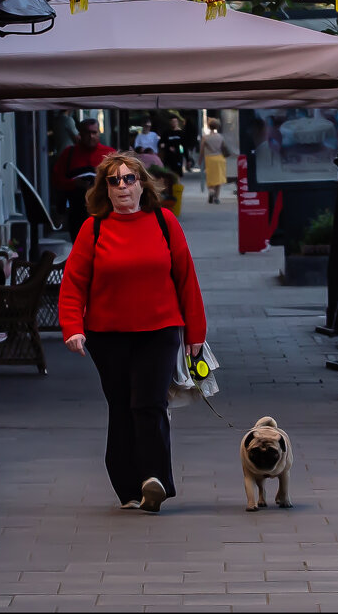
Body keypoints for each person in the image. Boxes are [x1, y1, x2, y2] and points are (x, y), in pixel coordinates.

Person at [58, 152, 207, 513]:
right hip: (107, 334)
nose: (122, 186)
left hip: (160, 329)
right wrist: (72, 328)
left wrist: (195, 334)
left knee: (149, 403)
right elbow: (74, 283)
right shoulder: (92, 229)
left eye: (129, 179)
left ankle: (154, 479)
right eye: (114, 180)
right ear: (105, 189)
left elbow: (186, 278)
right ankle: (127, 487)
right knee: (122, 406)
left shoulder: (163, 221)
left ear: (142, 184)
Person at [52, 118, 116, 242]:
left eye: (94, 132)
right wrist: (74, 183)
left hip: (105, 212)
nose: (91, 136)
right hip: (77, 212)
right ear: (80, 134)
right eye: (87, 133)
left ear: (99, 133)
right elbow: (57, 180)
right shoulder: (69, 154)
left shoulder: (110, 154)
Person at [198, 117, 228, 204]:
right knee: (218, 179)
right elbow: (224, 148)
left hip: (210, 159)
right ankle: (216, 198)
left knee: (210, 178)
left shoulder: (205, 137)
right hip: (220, 158)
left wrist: (200, 159)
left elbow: (202, 150)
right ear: (217, 126)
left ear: (208, 126)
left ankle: (211, 191)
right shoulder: (220, 137)